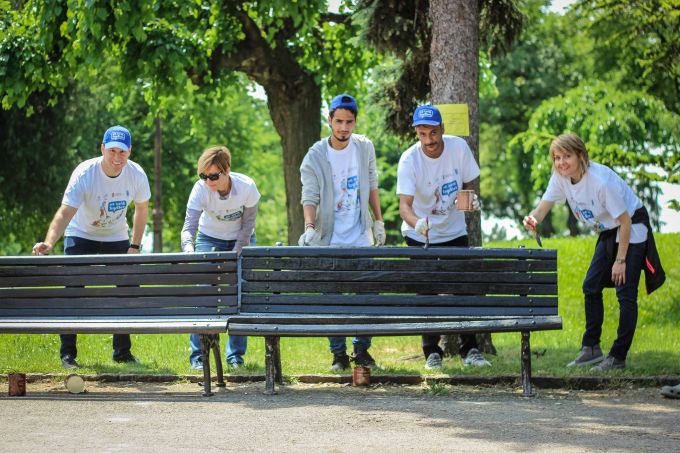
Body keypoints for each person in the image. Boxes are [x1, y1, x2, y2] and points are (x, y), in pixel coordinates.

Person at [523, 133, 665, 371]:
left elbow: (626, 221)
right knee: (591, 286)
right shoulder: (560, 177)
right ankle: (591, 349)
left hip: (631, 226)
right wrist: (532, 219)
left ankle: (618, 357)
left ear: (581, 155)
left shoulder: (601, 181)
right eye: (557, 158)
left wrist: (621, 260)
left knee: (625, 293)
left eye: (566, 156)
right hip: (609, 230)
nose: (561, 163)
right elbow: (542, 208)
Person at [32, 125, 150, 369]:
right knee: (73, 290)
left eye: (123, 152)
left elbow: (141, 209)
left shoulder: (136, 174)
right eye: (113, 151)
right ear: (102, 148)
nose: (117, 158)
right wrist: (49, 241)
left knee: (126, 289)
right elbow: (65, 212)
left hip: (116, 235)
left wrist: (135, 246)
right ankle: (68, 355)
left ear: (130, 152)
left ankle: (122, 352)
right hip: (81, 233)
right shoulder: (85, 173)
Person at [396, 104, 491, 370]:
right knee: (426, 293)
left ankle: (470, 348)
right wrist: (418, 224)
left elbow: (469, 184)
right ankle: (431, 351)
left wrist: (470, 201)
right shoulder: (409, 160)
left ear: (442, 130)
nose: (429, 140)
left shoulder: (459, 148)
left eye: (433, 133)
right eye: (423, 134)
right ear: (416, 132)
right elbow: (405, 206)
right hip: (420, 234)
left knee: (464, 289)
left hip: (454, 231)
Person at [299, 93, 386, 371]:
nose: (344, 128)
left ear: (355, 122)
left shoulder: (364, 147)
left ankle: (361, 351)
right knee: (332, 298)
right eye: (338, 122)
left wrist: (378, 220)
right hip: (330, 237)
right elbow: (309, 196)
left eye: (349, 122)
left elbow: (372, 185)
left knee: (366, 295)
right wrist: (310, 228)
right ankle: (338, 354)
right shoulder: (315, 155)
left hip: (360, 234)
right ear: (330, 120)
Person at [181, 145, 260, 370]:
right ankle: (198, 356)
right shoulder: (200, 190)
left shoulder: (247, 187)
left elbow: (247, 228)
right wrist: (189, 251)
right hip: (209, 237)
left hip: (240, 239)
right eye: (204, 176)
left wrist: (234, 255)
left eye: (214, 176)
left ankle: (235, 357)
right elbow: (189, 227)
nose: (209, 182)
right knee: (203, 294)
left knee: (239, 294)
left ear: (227, 170)